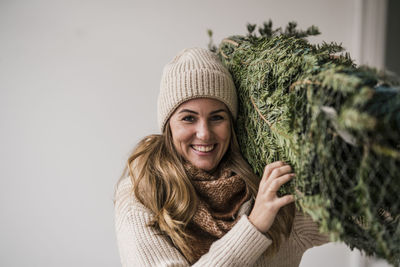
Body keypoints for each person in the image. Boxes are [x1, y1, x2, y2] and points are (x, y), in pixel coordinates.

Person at [113, 47, 329, 266]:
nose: (204, 133)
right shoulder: (142, 195)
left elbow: (356, 215)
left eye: (217, 117)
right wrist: (253, 227)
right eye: (188, 118)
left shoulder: (266, 190)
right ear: (168, 125)